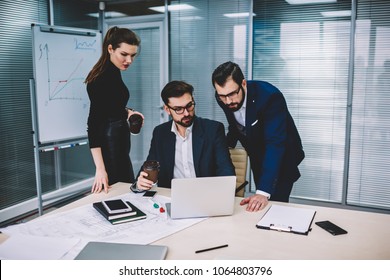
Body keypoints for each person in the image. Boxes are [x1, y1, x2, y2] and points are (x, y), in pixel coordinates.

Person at [212, 61, 304, 212]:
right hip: (257, 154)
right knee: (259, 208)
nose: (228, 101)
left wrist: (262, 192)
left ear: (243, 84)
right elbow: (235, 124)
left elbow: (275, 143)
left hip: (281, 156)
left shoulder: (270, 97)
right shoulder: (222, 97)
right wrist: (225, 145)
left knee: (275, 207)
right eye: (222, 96)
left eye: (231, 94)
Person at [131, 80, 235, 192]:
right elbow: (148, 169)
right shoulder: (160, 133)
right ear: (167, 110)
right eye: (178, 109)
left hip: (206, 196)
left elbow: (226, 172)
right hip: (172, 198)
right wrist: (140, 183)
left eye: (189, 106)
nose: (186, 113)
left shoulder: (213, 130)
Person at [85, 26, 144, 193]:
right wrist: (100, 169)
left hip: (119, 145)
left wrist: (128, 112)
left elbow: (110, 106)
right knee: (118, 193)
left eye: (133, 55)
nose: (129, 60)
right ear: (110, 49)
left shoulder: (113, 71)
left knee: (125, 192)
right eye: (124, 54)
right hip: (110, 148)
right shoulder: (100, 79)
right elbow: (93, 125)